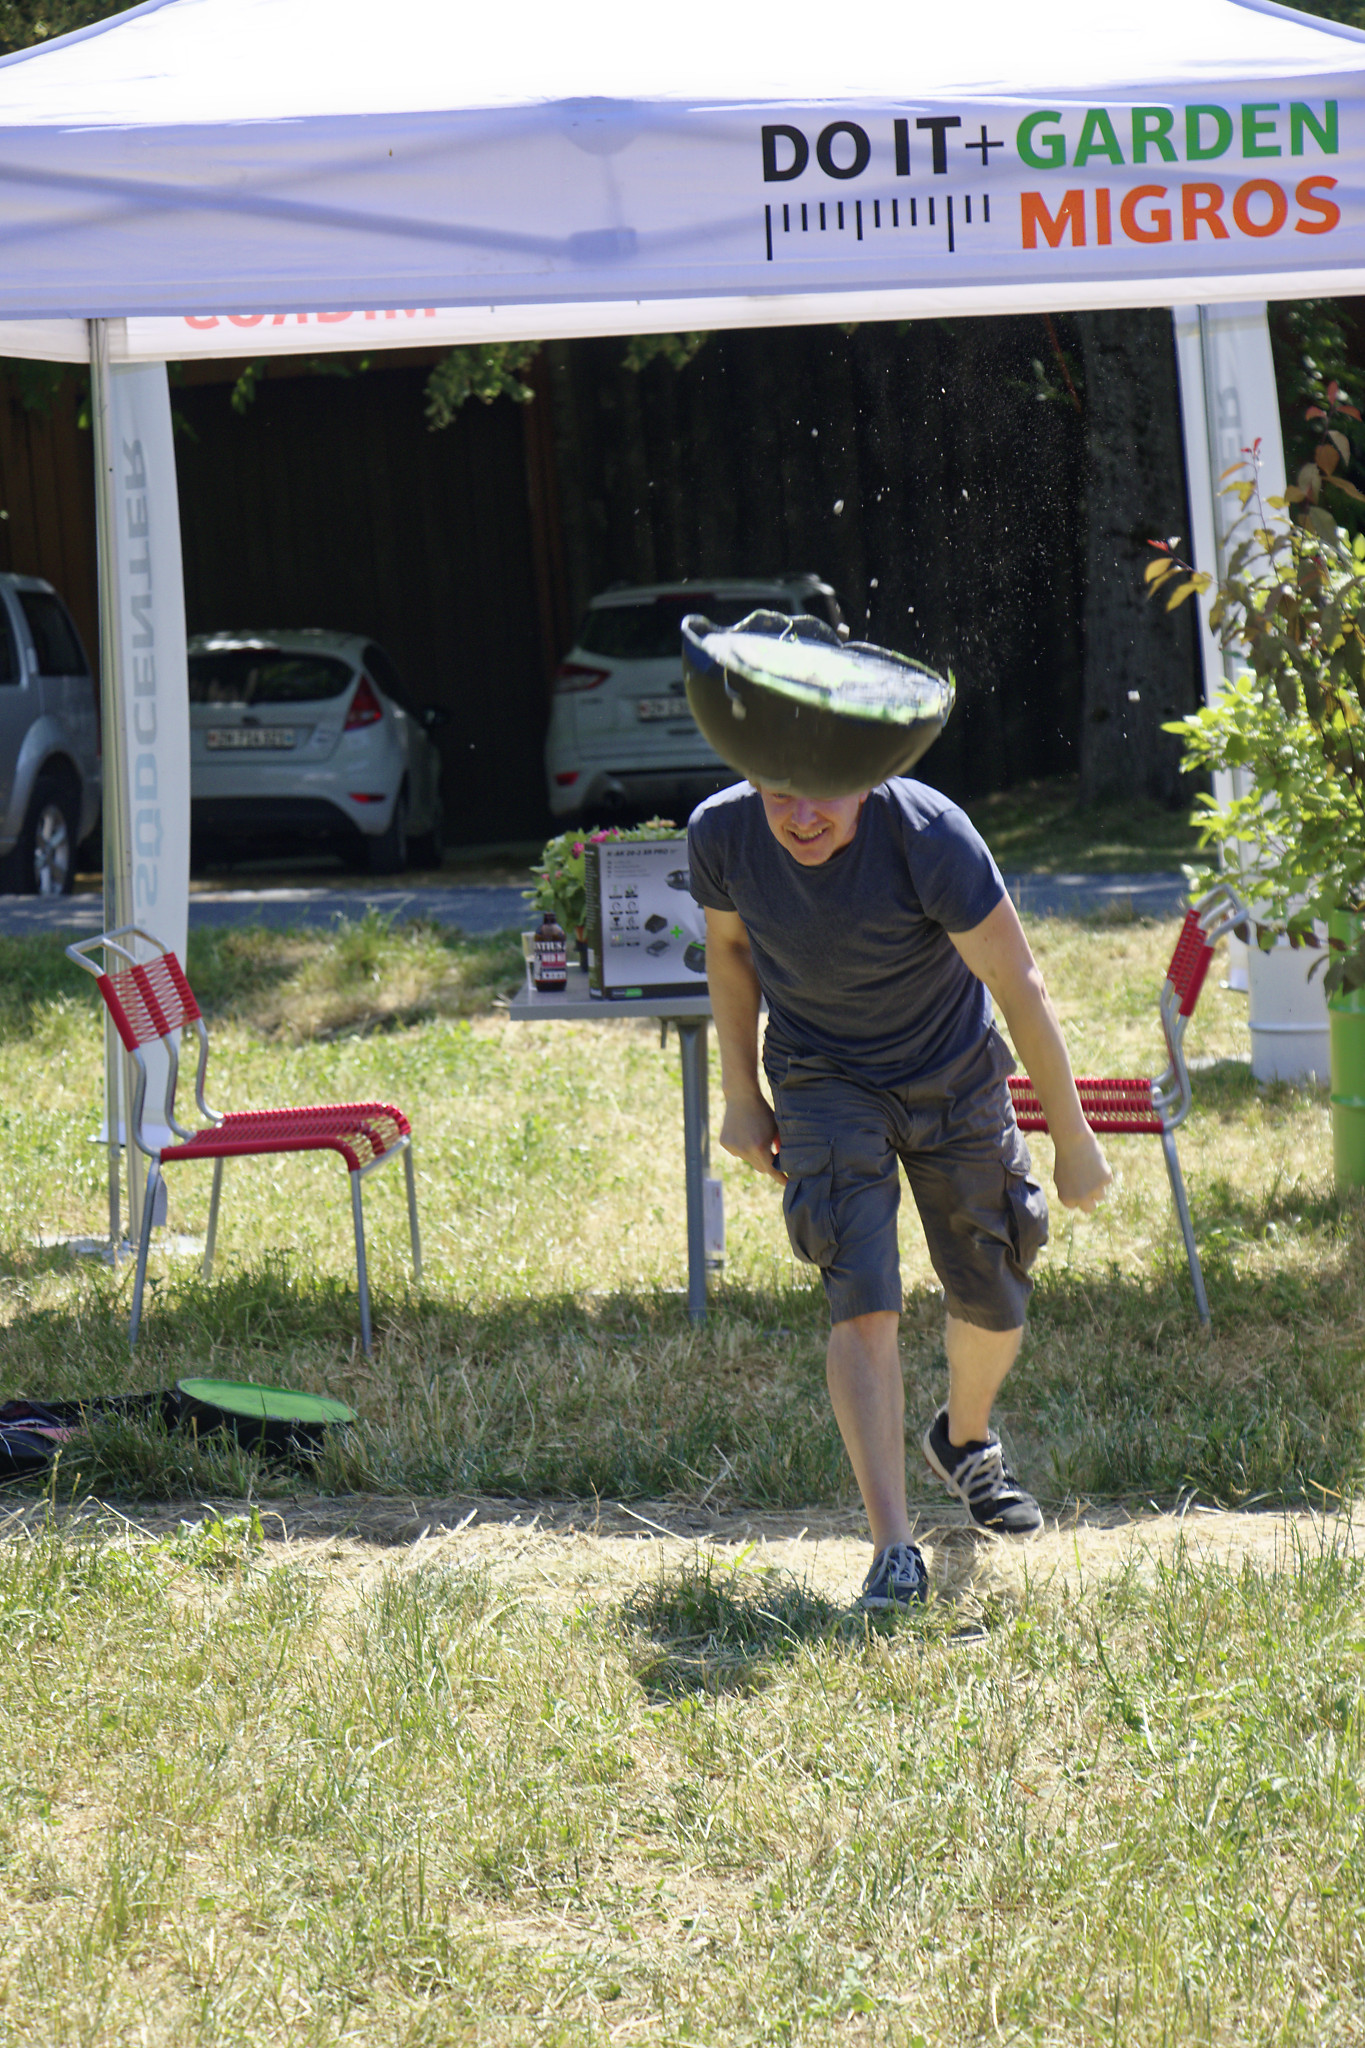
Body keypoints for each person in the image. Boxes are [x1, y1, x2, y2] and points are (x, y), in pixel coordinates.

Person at [687, 777, 1112, 1611]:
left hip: (951, 1070)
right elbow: (728, 949)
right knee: (861, 1295)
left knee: (994, 1279)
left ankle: (962, 1440)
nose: (800, 817)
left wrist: (1073, 1138)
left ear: (866, 776)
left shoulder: (929, 833)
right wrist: (740, 1094)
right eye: (779, 793)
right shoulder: (723, 832)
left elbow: (1016, 980)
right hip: (822, 1077)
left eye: (822, 795)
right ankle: (892, 1547)